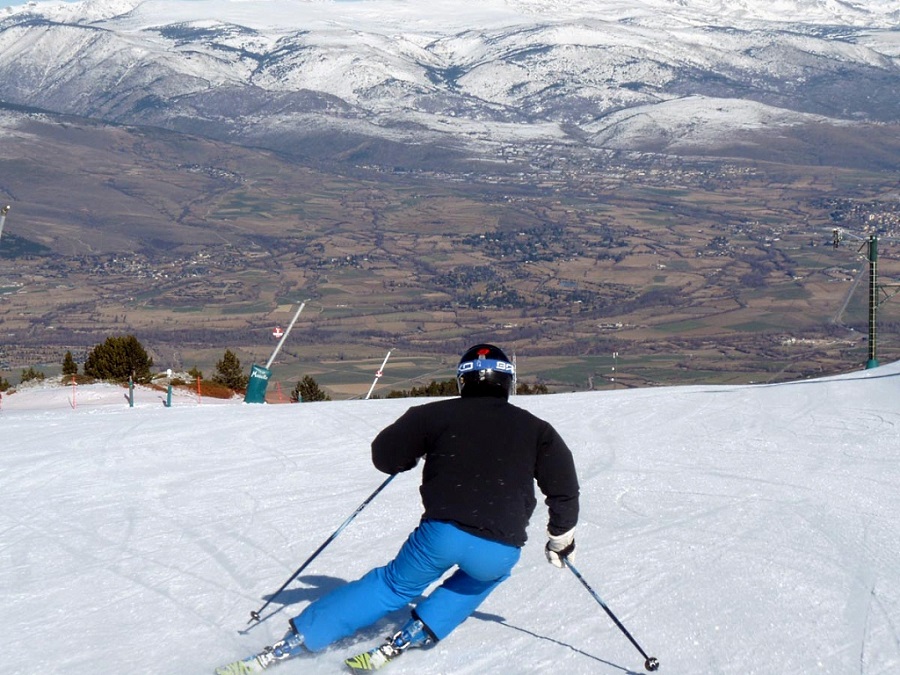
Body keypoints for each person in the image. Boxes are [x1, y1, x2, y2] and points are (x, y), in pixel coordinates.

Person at [222, 344, 579, 673]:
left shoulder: (432, 415)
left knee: (393, 586)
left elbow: (385, 456)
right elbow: (563, 489)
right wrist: (561, 539)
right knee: (485, 576)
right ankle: (420, 630)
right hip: (501, 546)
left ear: (463, 380)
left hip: (442, 534)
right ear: (507, 381)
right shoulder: (538, 430)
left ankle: (298, 640)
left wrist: (414, 451)